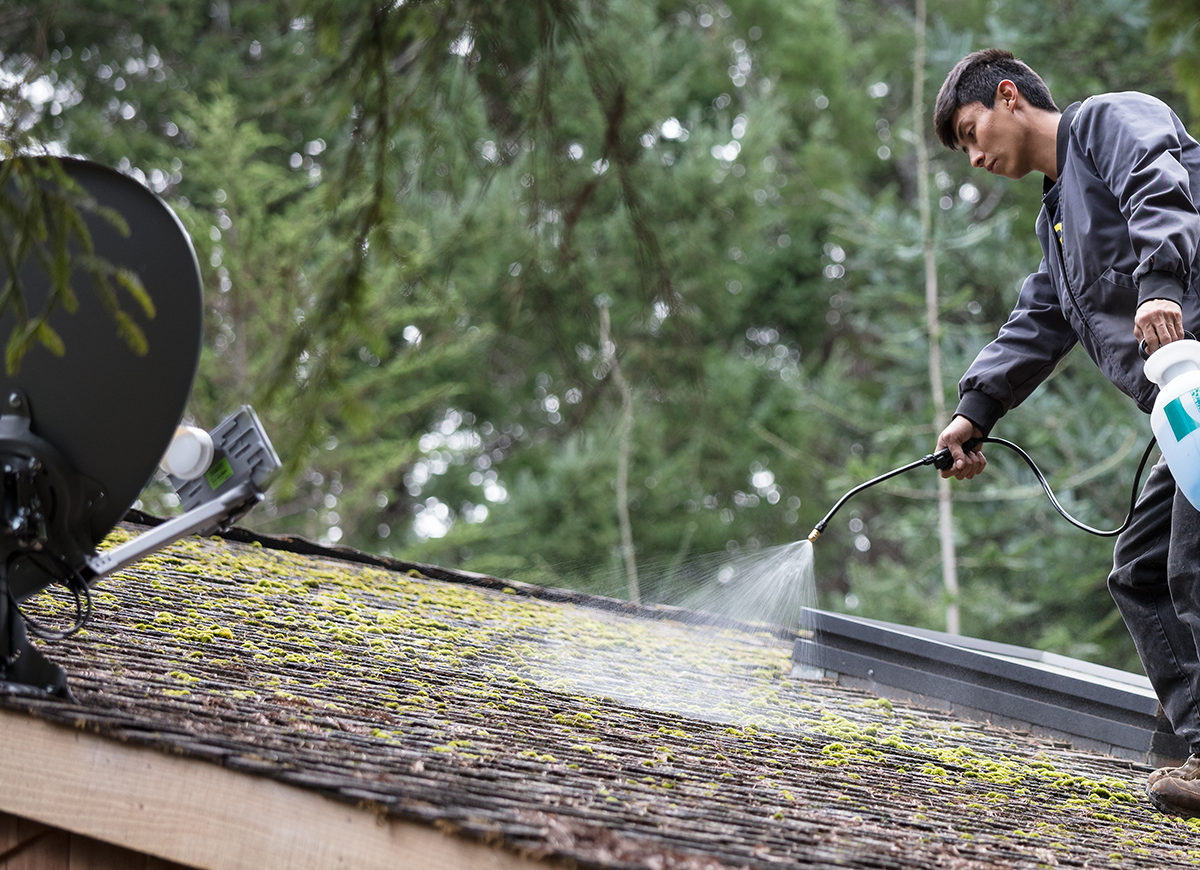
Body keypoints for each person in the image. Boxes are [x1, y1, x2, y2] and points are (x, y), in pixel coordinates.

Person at [932, 48, 1200, 817]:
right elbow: (1039, 320)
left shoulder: (1111, 121)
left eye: (971, 129)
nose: (975, 154)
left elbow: (1161, 185)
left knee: (1188, 560)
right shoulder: (1057, 224)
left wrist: (1158, 286)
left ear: (1008, 97)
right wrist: (973, 412)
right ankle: (1190, 742)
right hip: (1183, 417)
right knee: (1142, 569)